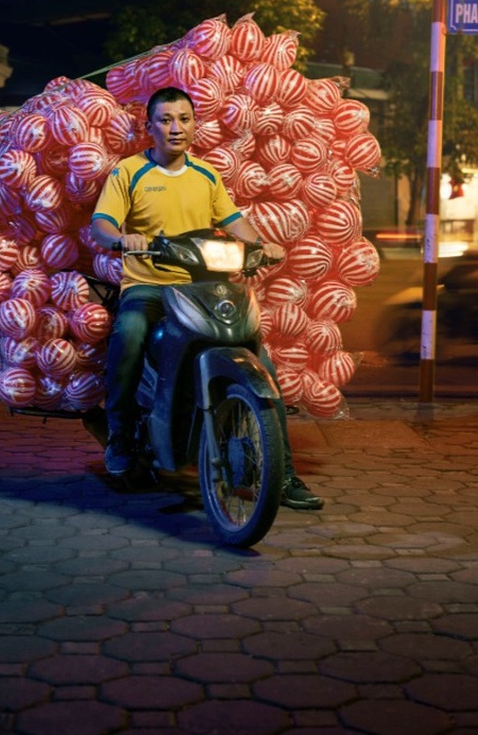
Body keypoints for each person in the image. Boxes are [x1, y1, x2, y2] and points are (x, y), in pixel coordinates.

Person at [90, 86, 323, 511]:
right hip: (149, 287)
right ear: (150, 127)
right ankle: (120, 436)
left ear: (195, 125)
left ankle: (283, 472)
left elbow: (234, 220)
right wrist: (122, 239)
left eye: (183, 119)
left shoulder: (206, 175)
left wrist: (262, 245)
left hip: (200, 285)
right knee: (130, 332)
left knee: (259, 356)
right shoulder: (129, 172)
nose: (175, 128)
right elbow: (101, 224)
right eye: (165, 119)